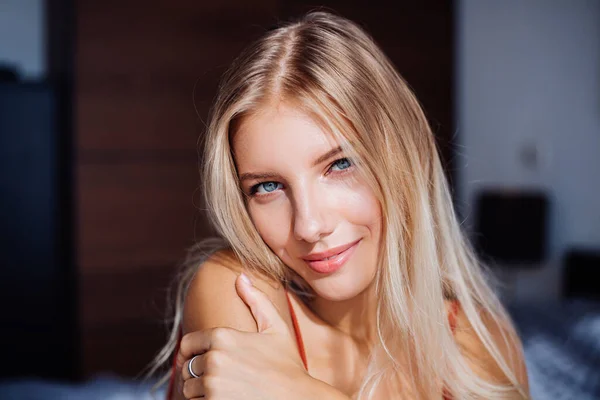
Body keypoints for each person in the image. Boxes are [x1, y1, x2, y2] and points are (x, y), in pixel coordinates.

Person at [150, 11, 530, 400]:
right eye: (268, 186)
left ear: (403, 158)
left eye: (340, 164)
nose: (309, 226)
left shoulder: (481, 347)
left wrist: (299, 392)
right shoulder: (239, 290)